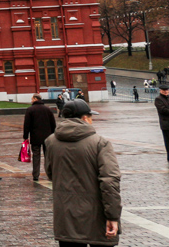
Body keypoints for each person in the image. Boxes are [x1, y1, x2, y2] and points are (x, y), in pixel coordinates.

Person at [45, 99, 121, 246]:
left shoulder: (50, 142)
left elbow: (50, 174)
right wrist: (113, 216)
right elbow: (110, 181)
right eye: (91, 117)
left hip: (65, 217)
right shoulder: (100, 143)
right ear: (85, 118)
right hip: (96, 216)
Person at [23, 93, 57, 181]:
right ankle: (50, 174)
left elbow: (27, 124)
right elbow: (53, 124)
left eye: (32, 99)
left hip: (35, 137)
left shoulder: (30, 110)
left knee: (36, 156)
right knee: (48, 156)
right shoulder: (48, 109)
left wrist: (25, 136)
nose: (31, 100)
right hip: (48, 137)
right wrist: (54, 134)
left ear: (35, 99)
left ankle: (35, 175)